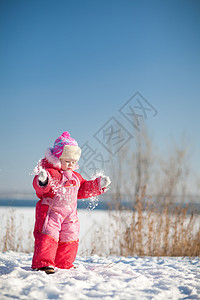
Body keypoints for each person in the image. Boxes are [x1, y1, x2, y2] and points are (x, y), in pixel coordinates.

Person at [31, 131, 111, 274]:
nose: (70, 164)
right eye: (67, 161)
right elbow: (42, 189)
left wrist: (99, 184)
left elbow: (83, 188)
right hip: (51, 212)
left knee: (71, 236)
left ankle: (63, 263)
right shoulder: (53, 173)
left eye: (73, 162)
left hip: (70, 214)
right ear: (57, 158)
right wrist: (43, 180)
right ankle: (43, 263)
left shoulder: (75, 177)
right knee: (48, 234)